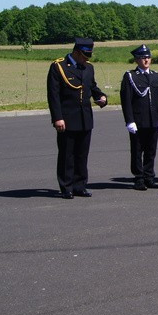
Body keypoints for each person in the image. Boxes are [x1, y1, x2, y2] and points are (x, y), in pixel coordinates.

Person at [47, 37, 107, 199]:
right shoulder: (59, 67)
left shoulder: (88, 68)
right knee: (67, 154)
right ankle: (66, 187)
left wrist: (101, 97)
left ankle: (80, 185)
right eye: (84, 55)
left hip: (85, 118)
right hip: (67, 118)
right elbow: (53, 95)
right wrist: (57, 118)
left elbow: (92, 86)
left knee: (82, 154)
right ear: (76, 51)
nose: (86, 58)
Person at [120, 45, 158, 191]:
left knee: (151, 150)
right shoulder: (131, 76)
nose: (146, 60)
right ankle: (139, 178)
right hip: (138, 120)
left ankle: (149, 177)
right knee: (137, 150)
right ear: (136, 60)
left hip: (153, 119)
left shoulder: (155, 76)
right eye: (142, 58)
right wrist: (129, 120)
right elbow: (126, 100)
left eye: (148, 57)